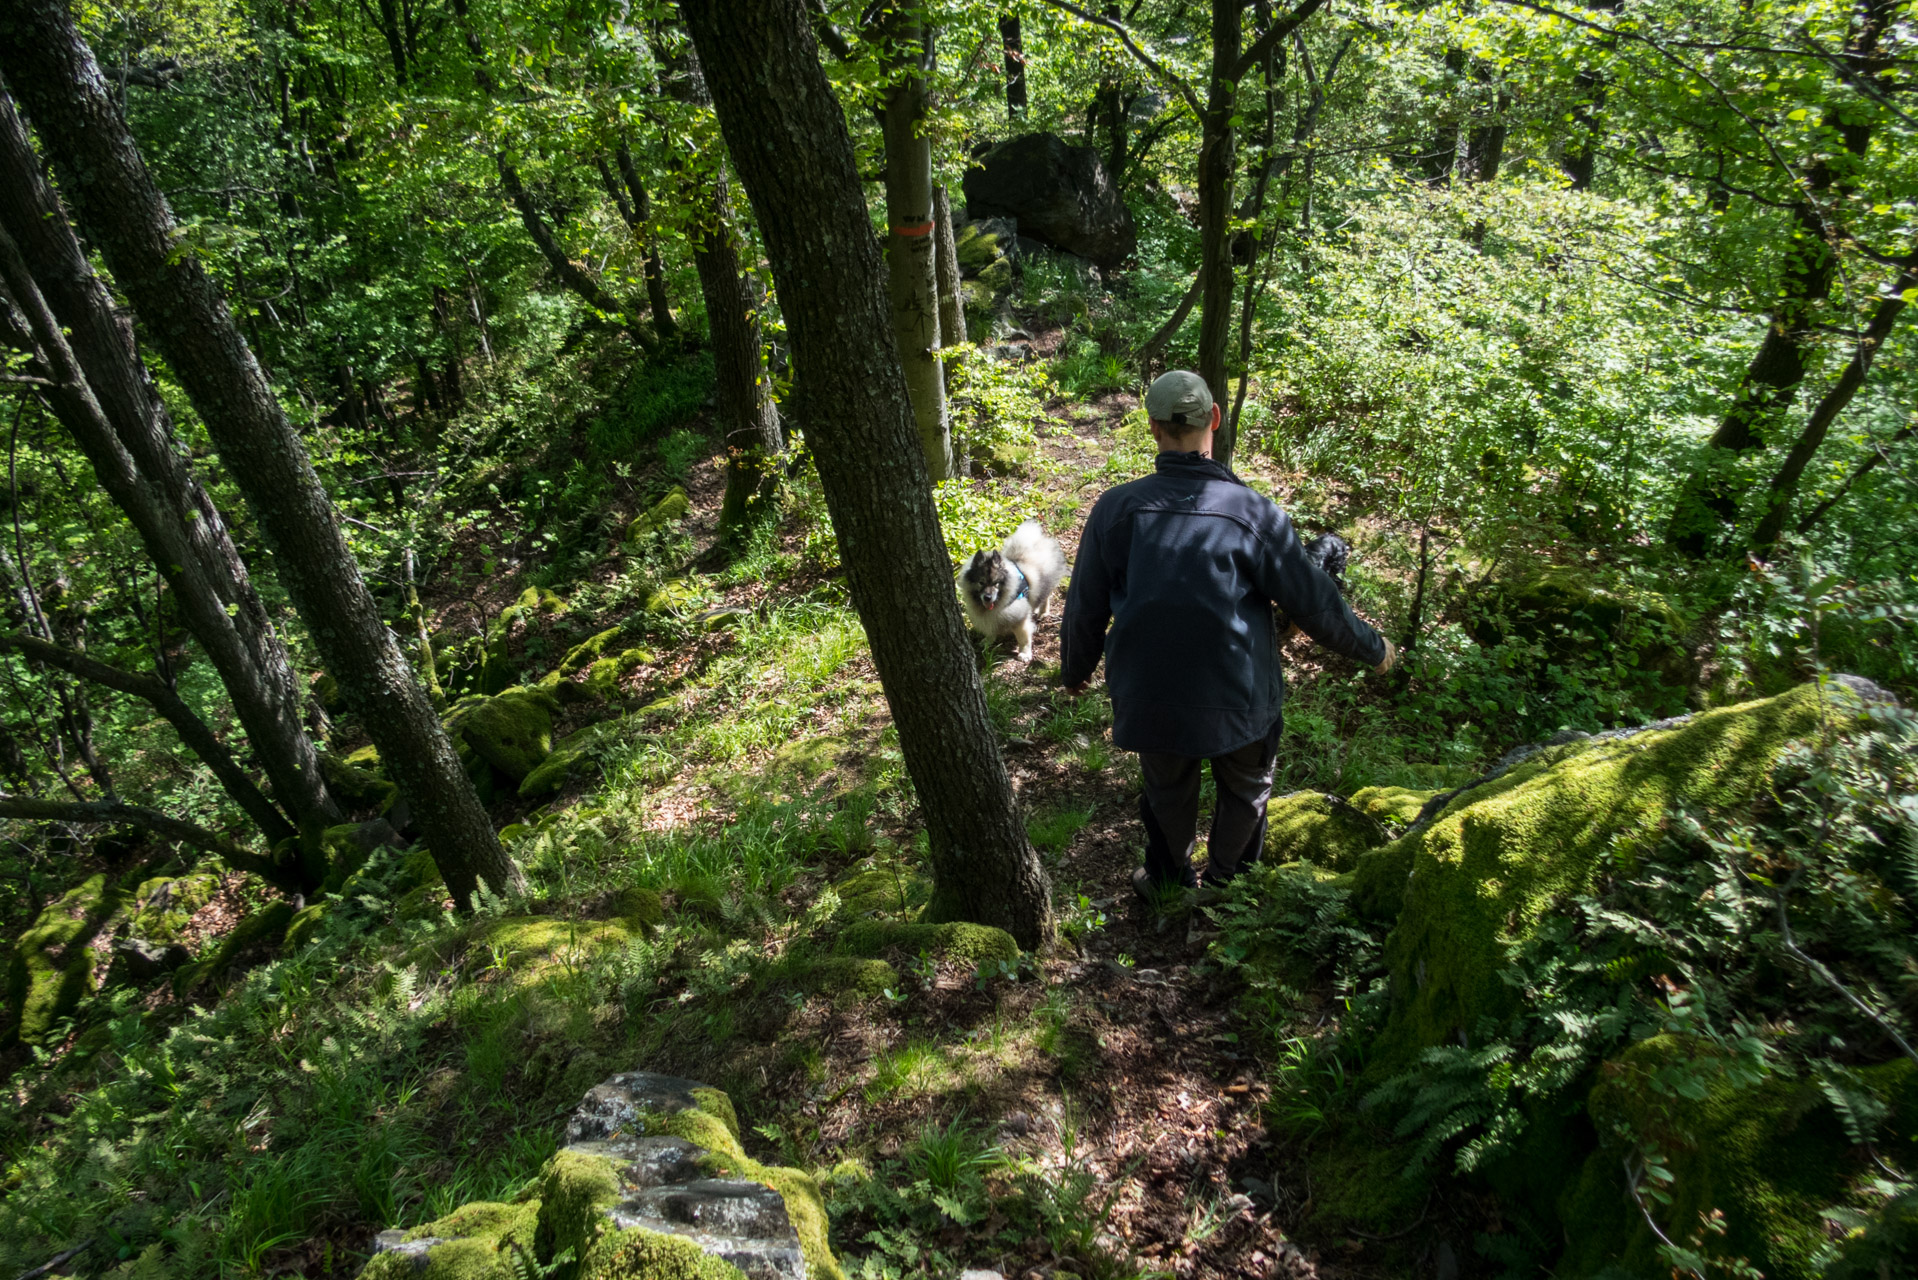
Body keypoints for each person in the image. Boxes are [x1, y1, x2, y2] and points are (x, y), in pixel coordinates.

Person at [1060, 371, 1397, 898]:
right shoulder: (1254, 513)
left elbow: (1084, 606)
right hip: (1239, 697)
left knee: (1167, 787)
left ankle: (1168, 881)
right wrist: (1373, 648)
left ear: (1153, 428)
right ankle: (1227, 886)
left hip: (1151, 694)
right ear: (1214, 418)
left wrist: (1075, 670)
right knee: (1246, 786)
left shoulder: (1115, 509)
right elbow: (1313, 602)